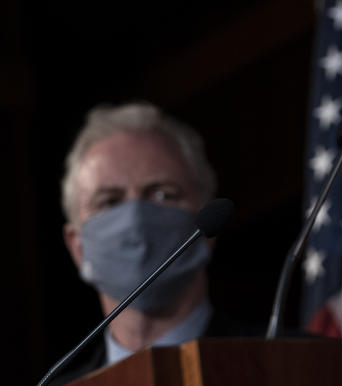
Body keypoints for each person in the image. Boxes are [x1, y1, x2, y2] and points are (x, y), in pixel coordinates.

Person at [54, 102, 232, 383]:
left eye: (162, 194)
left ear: (209, 226)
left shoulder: (294, 365)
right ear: (77, 246)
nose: (135, 220)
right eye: (109, 202)